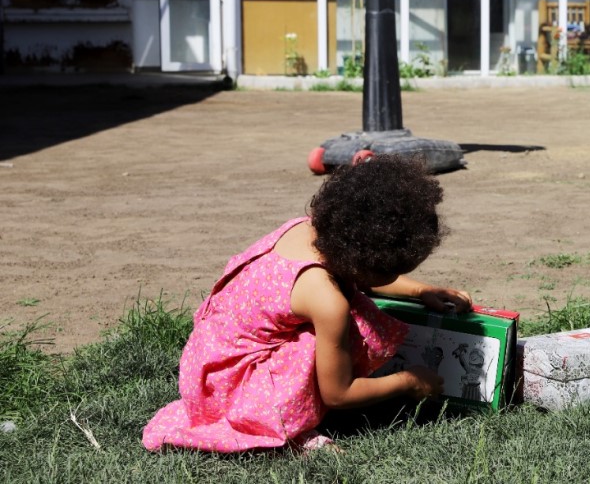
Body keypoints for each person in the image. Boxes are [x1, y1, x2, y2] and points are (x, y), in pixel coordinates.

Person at [142, 154, 471, 452]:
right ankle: (282, 428)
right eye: (392, 271)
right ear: (367, 262)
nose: (395, 278)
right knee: (341, 327)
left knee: (346, 309)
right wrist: (408, 381)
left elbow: (361, 275)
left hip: (206, 366)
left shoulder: (307, 231)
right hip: (233, 394)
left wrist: (420, 291)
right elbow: (338, 394)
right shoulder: (326, 300)